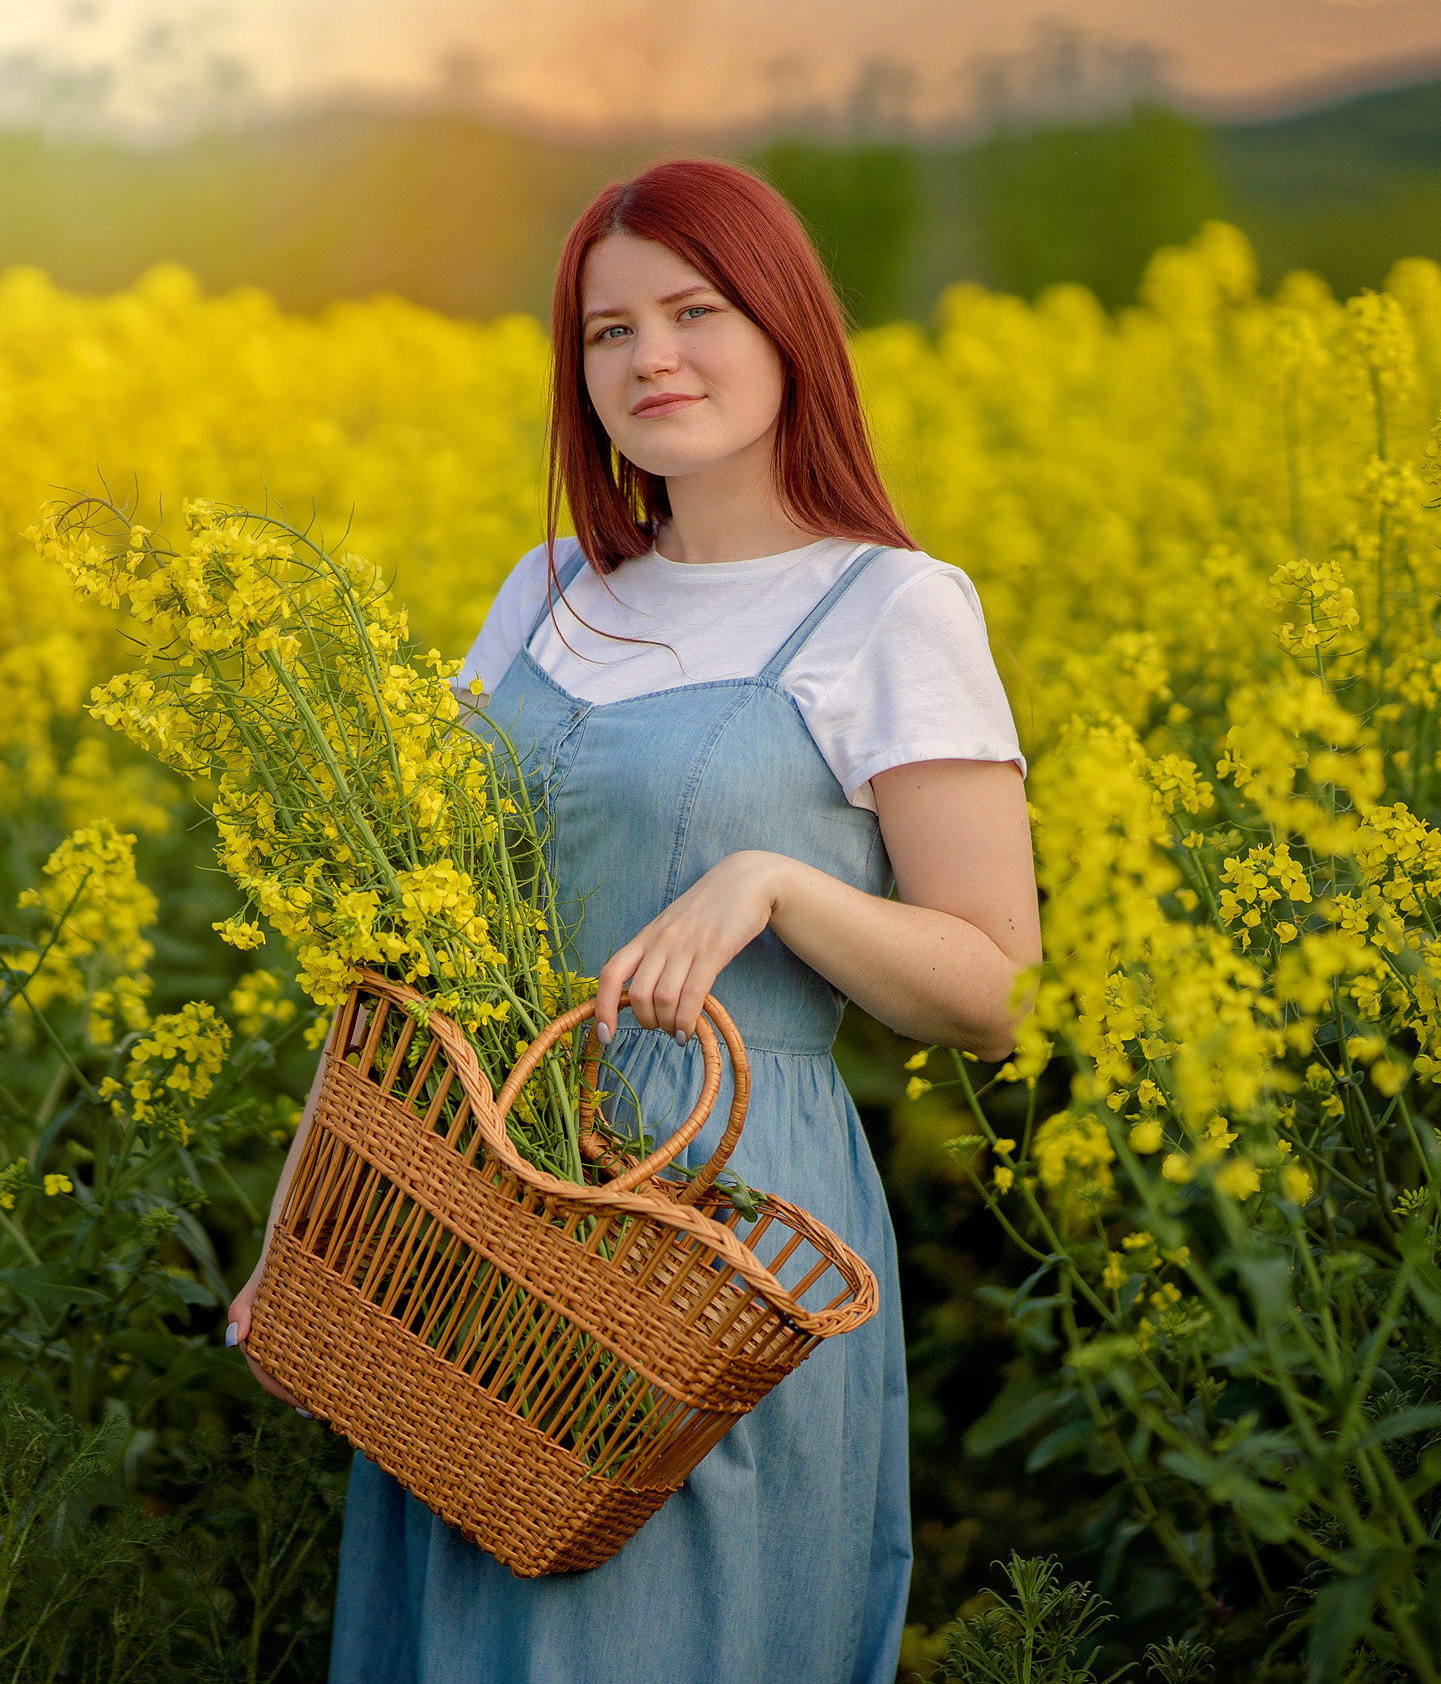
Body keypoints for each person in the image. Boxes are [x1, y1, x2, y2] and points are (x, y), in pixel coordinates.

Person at [226, 156, 1042, 1683]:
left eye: (696, 310)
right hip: (477, 1193)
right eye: (608, 332)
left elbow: (999, 987)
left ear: (788, 327)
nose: (650, 357)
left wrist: (777, 887)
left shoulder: (892, 609)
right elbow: (408, 953)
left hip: (719, 1238)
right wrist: (308, 1228)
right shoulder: (543, 592)